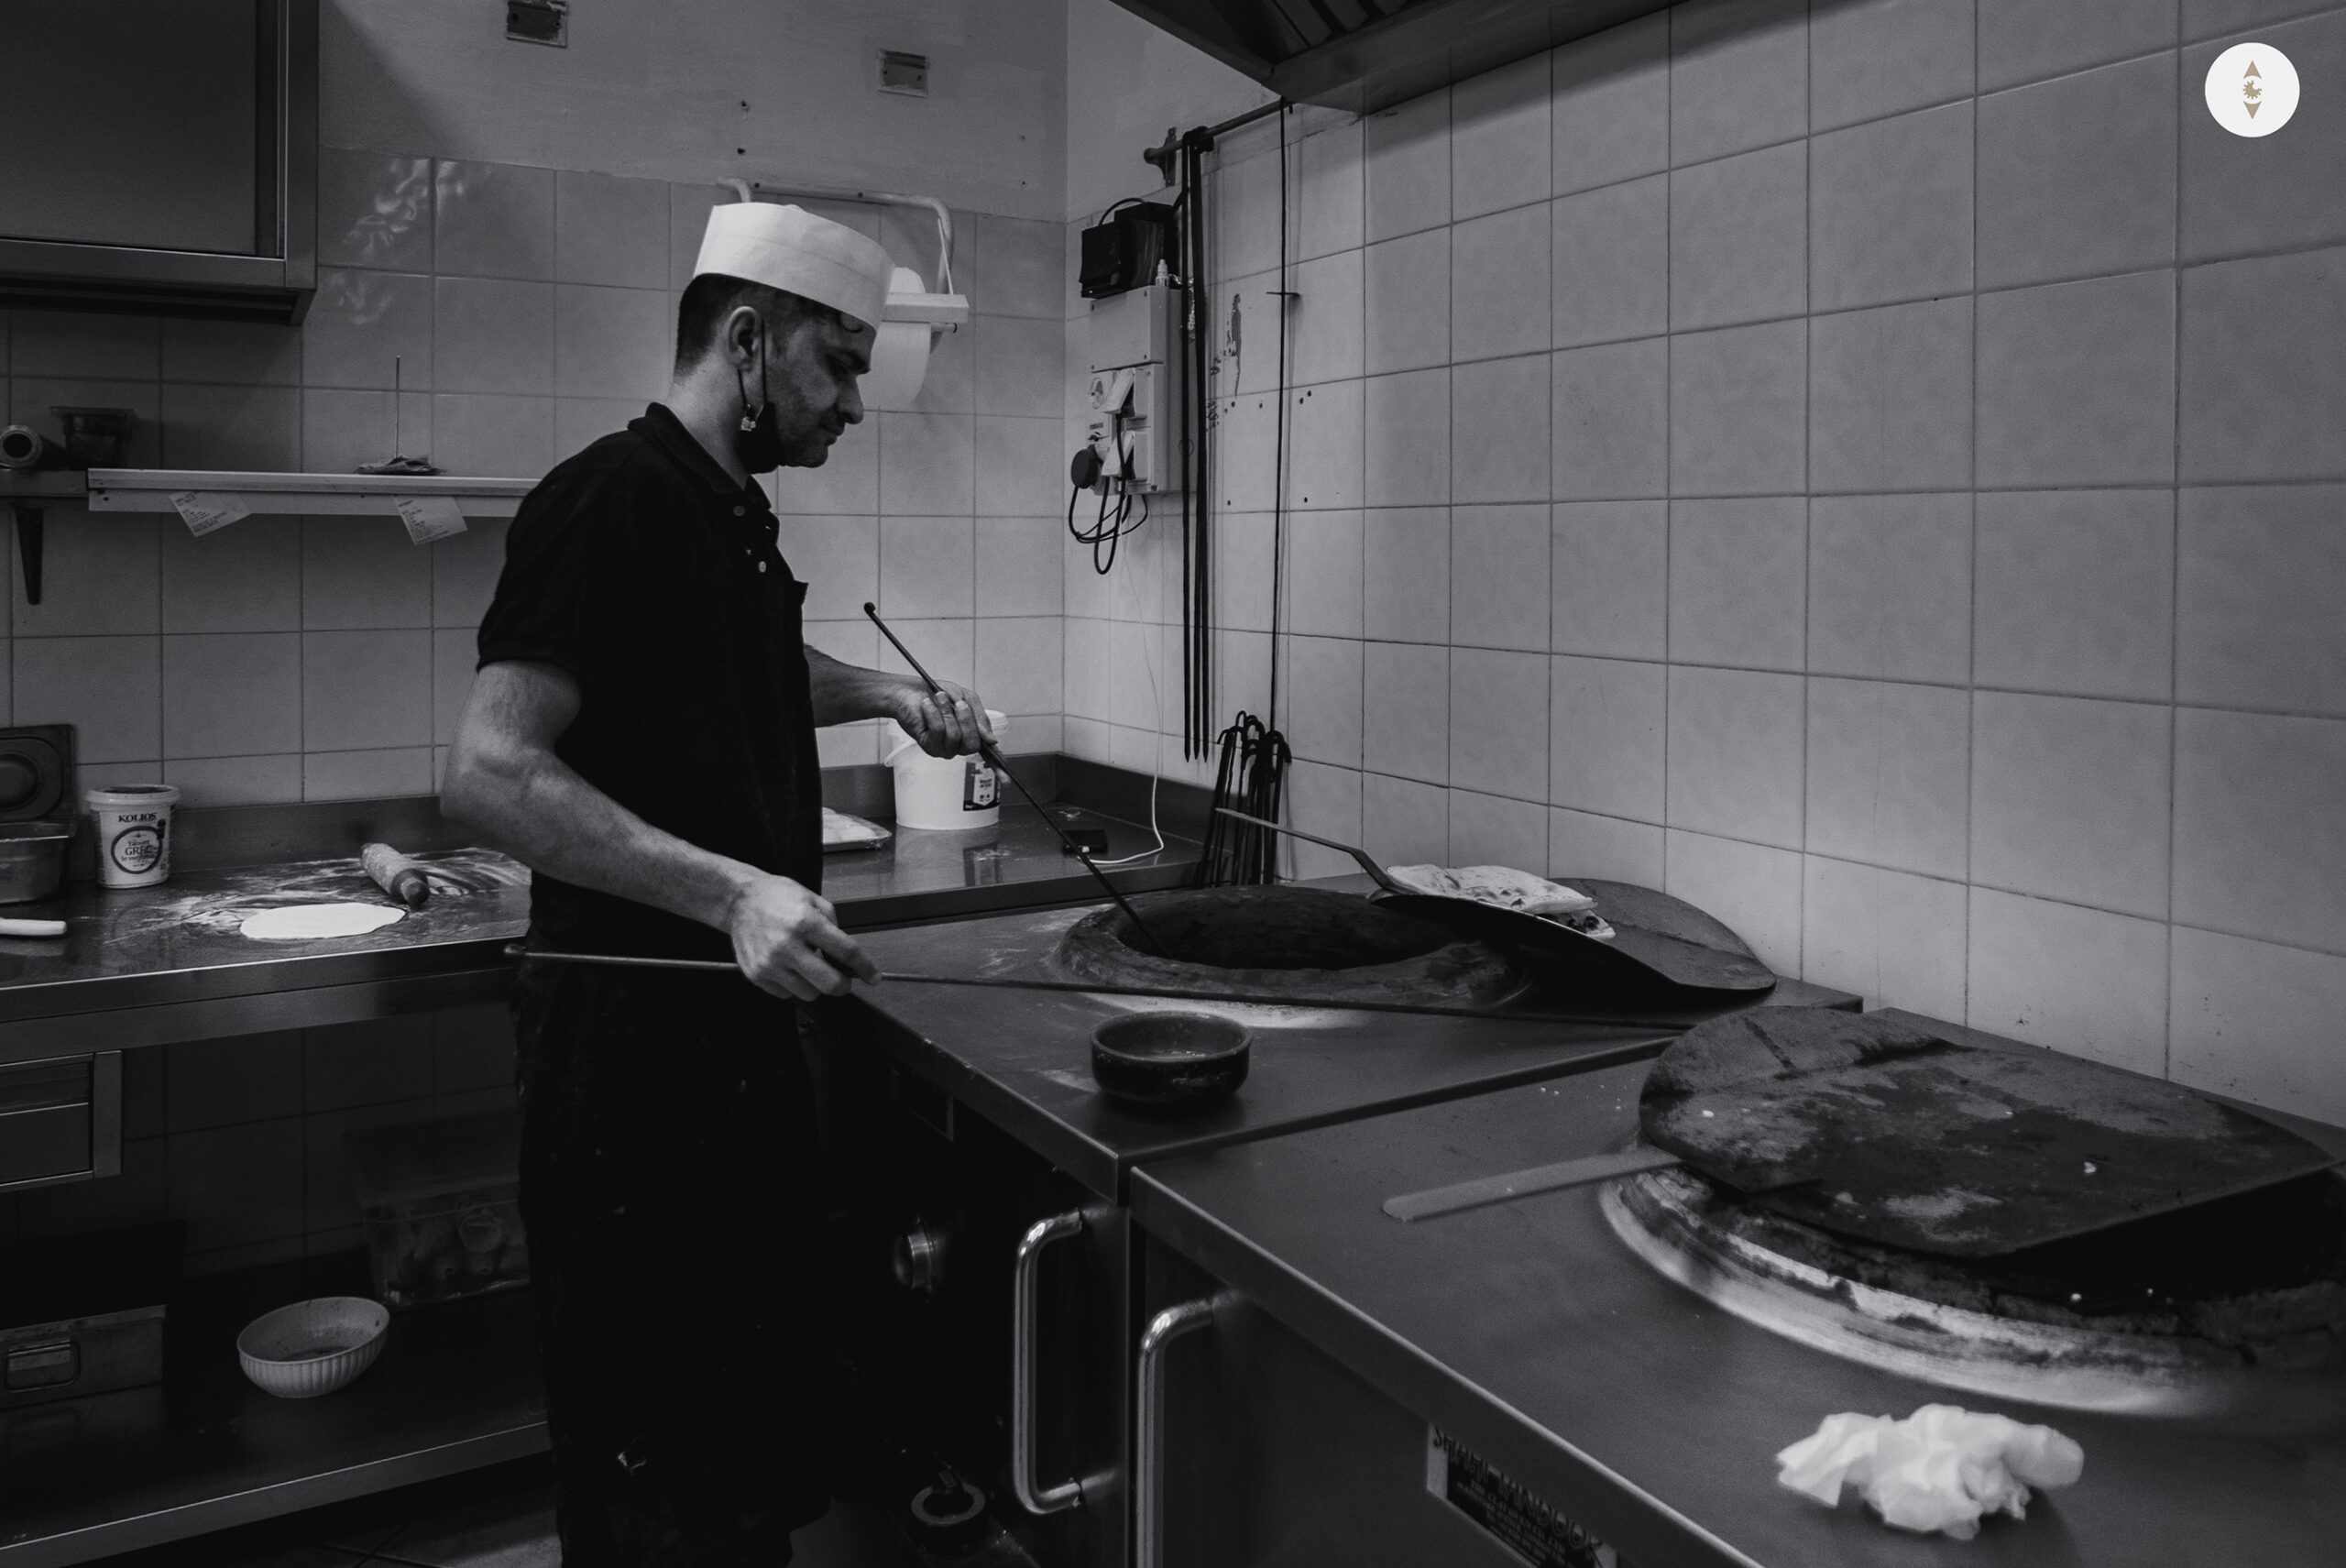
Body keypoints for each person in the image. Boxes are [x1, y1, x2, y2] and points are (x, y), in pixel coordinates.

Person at [442, 201, 992, 1566]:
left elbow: (742, 666)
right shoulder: (609, 497)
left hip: (727, 1067)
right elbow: (492, 772)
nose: (854, 402)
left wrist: (891, 698)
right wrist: (735, 895)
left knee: (736, 1466)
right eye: (840, 363)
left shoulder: (726, 515)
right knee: (659, 1486)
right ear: (747, 342)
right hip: (630, 1084)